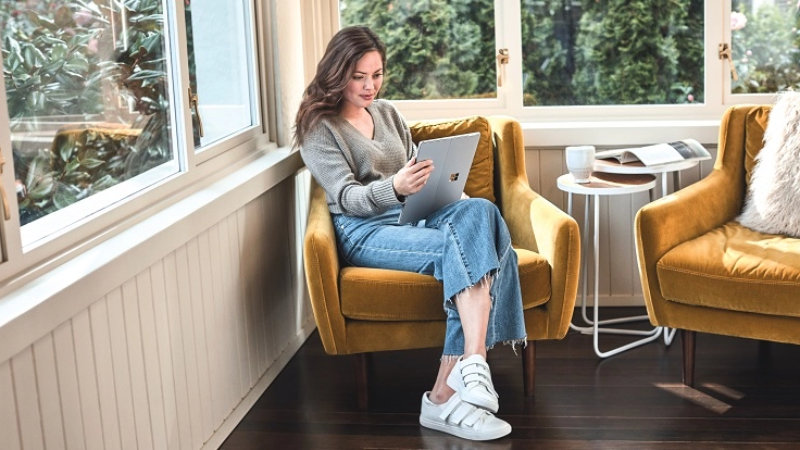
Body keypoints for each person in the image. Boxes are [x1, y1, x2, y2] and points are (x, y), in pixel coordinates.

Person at [294, 26, 526, 442]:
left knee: (481, 212)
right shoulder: (318, 127)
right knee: (470, 251)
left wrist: (444, 191)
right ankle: (446, 395)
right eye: (358, 76)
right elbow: (346, 197)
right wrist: (396, 188)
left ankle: (467, 369)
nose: (370, 86)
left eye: (377, 74)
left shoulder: (386, 113)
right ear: (336, 72)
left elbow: (418, 165)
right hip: (363, 230)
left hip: (414, 216)